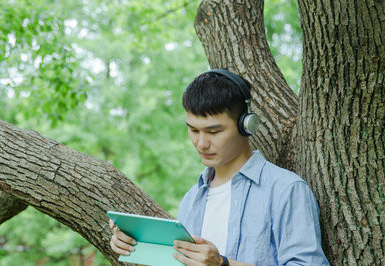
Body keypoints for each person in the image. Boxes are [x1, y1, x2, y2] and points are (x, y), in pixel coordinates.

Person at [110, 69, 329, 265]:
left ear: (246, 125)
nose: (201, 143)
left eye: (214, 132)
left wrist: (223, 264)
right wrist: (135, 248)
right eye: (194, 131)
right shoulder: (191, 200)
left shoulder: (286, 189)